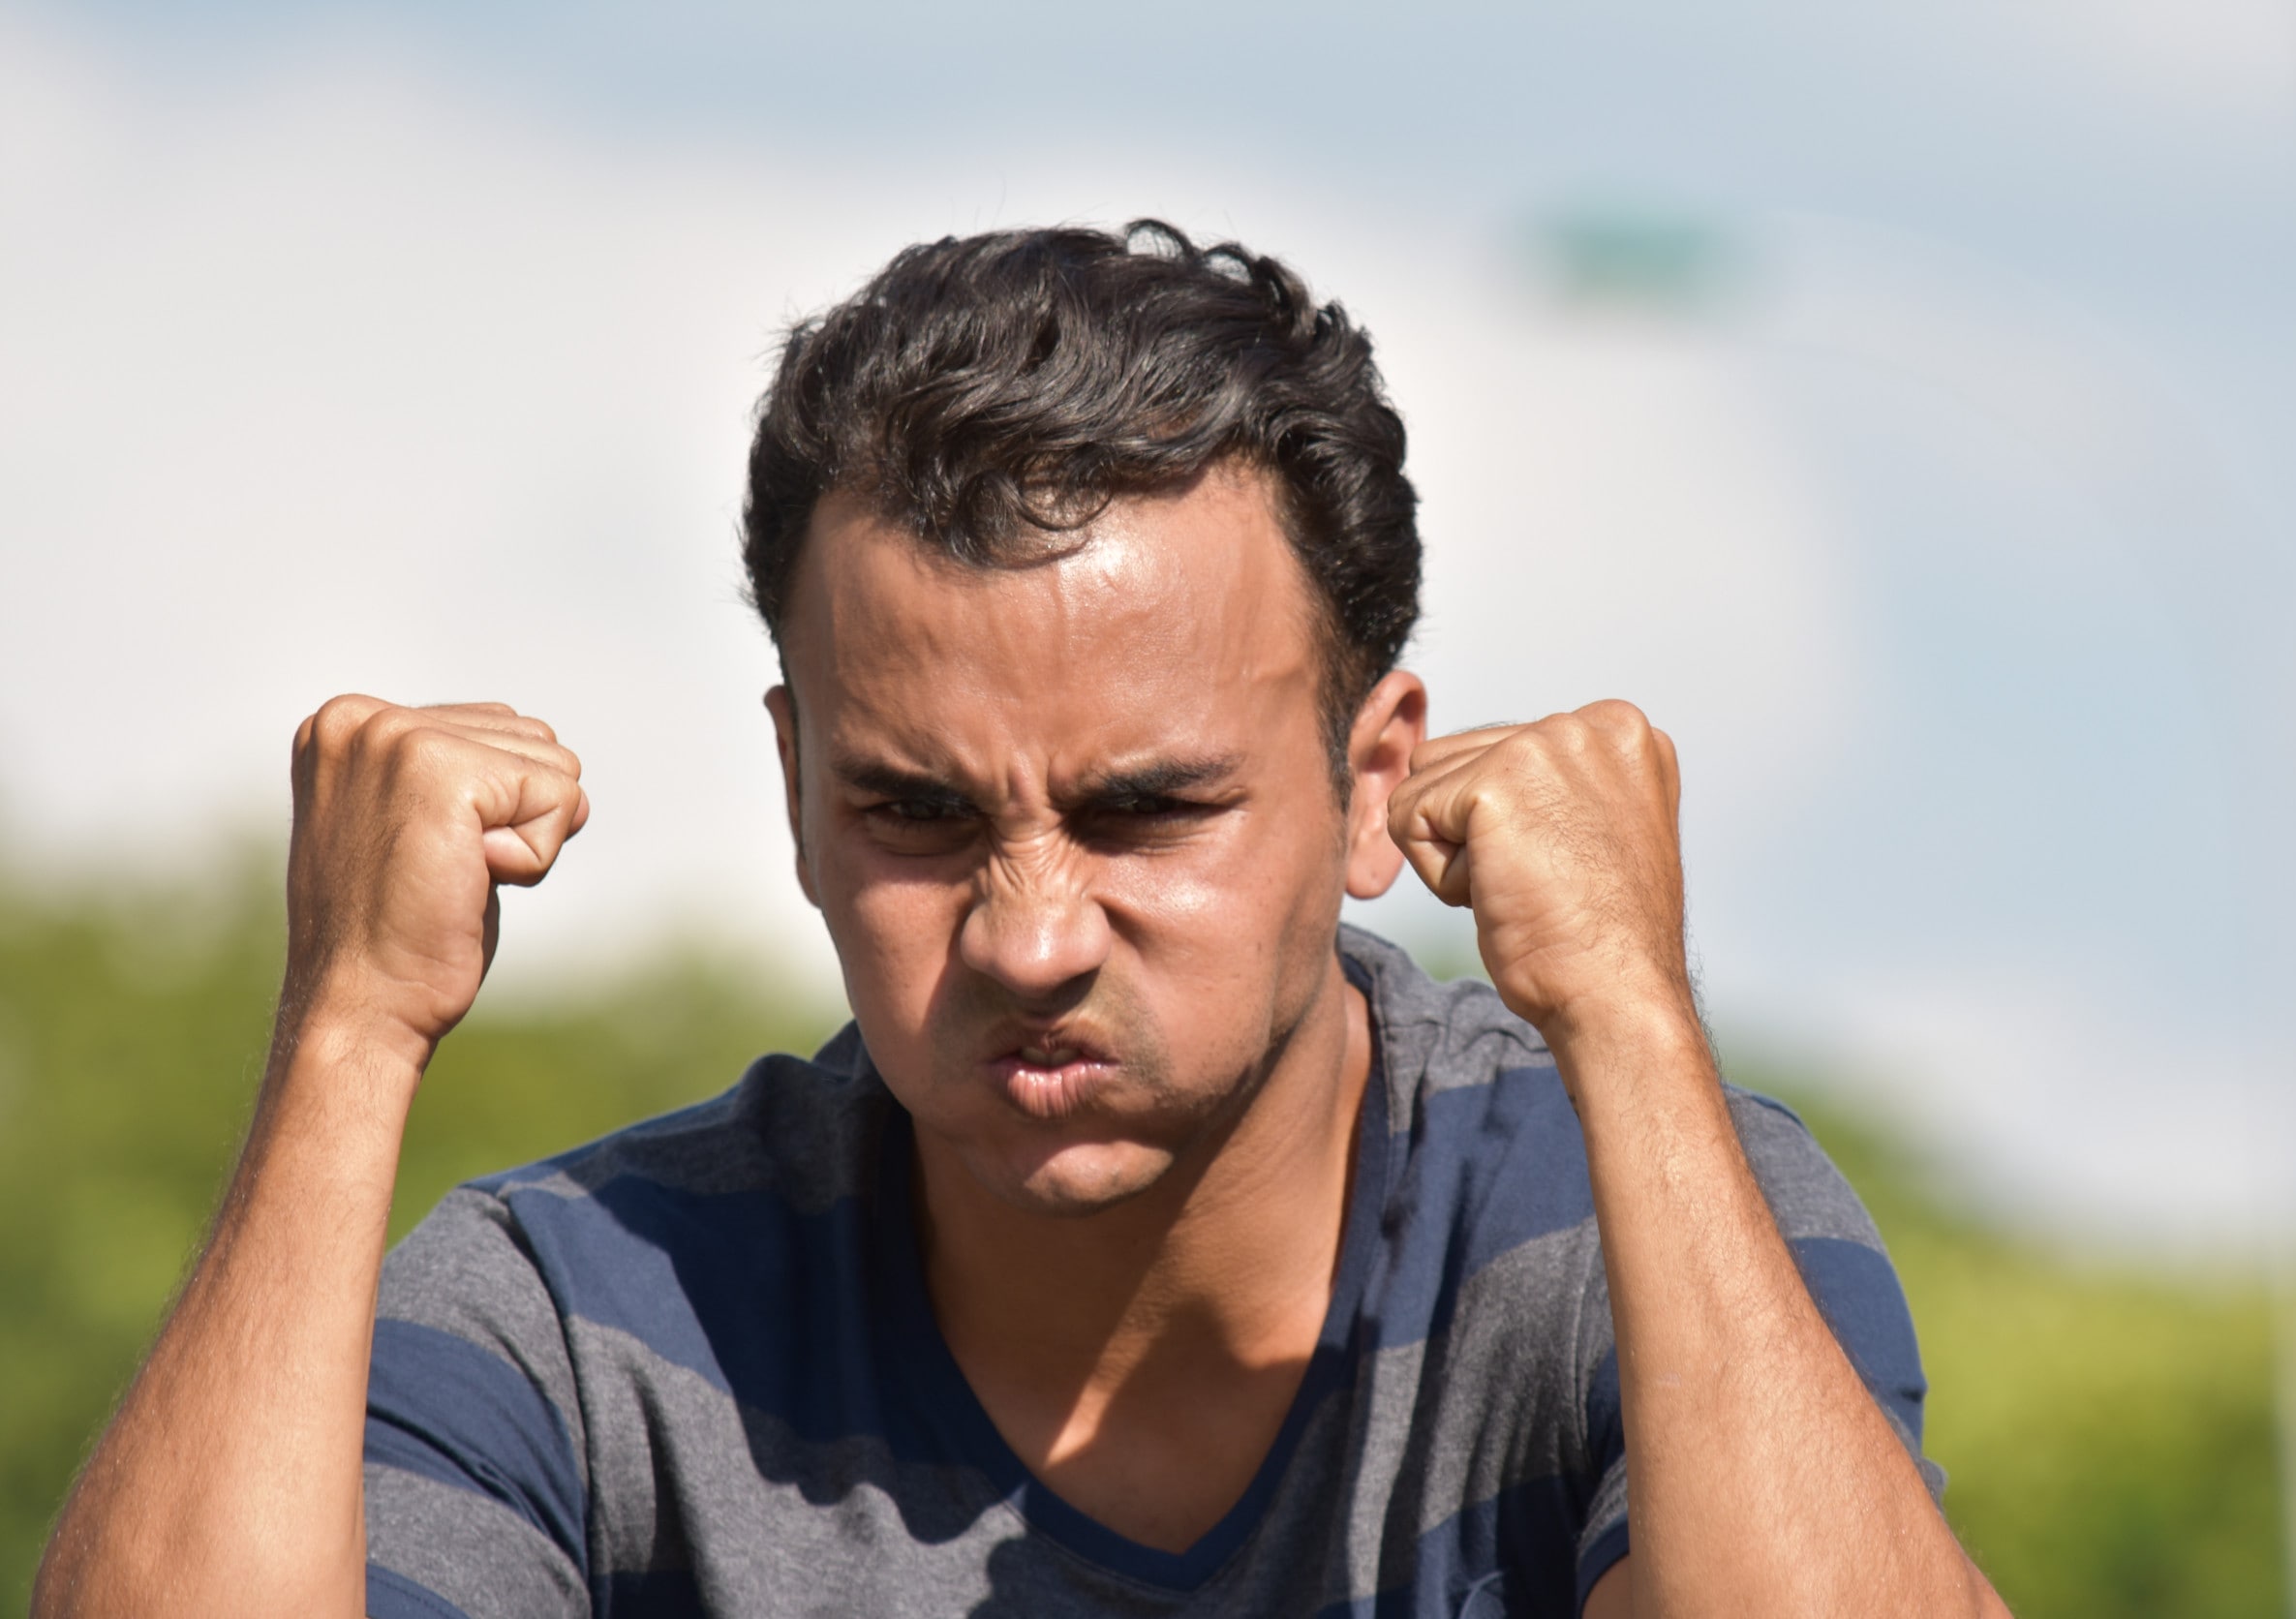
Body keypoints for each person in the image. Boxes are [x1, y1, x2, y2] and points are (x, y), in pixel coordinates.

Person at [34, 222, 2007, 1618]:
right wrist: (346, 1036)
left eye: (1147, 809)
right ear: (795, 782)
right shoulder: (574, 1321)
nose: (1030, 933)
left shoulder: (1636, 1228)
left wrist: (1634, 1022)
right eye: (916, 811)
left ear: (1374, 782)